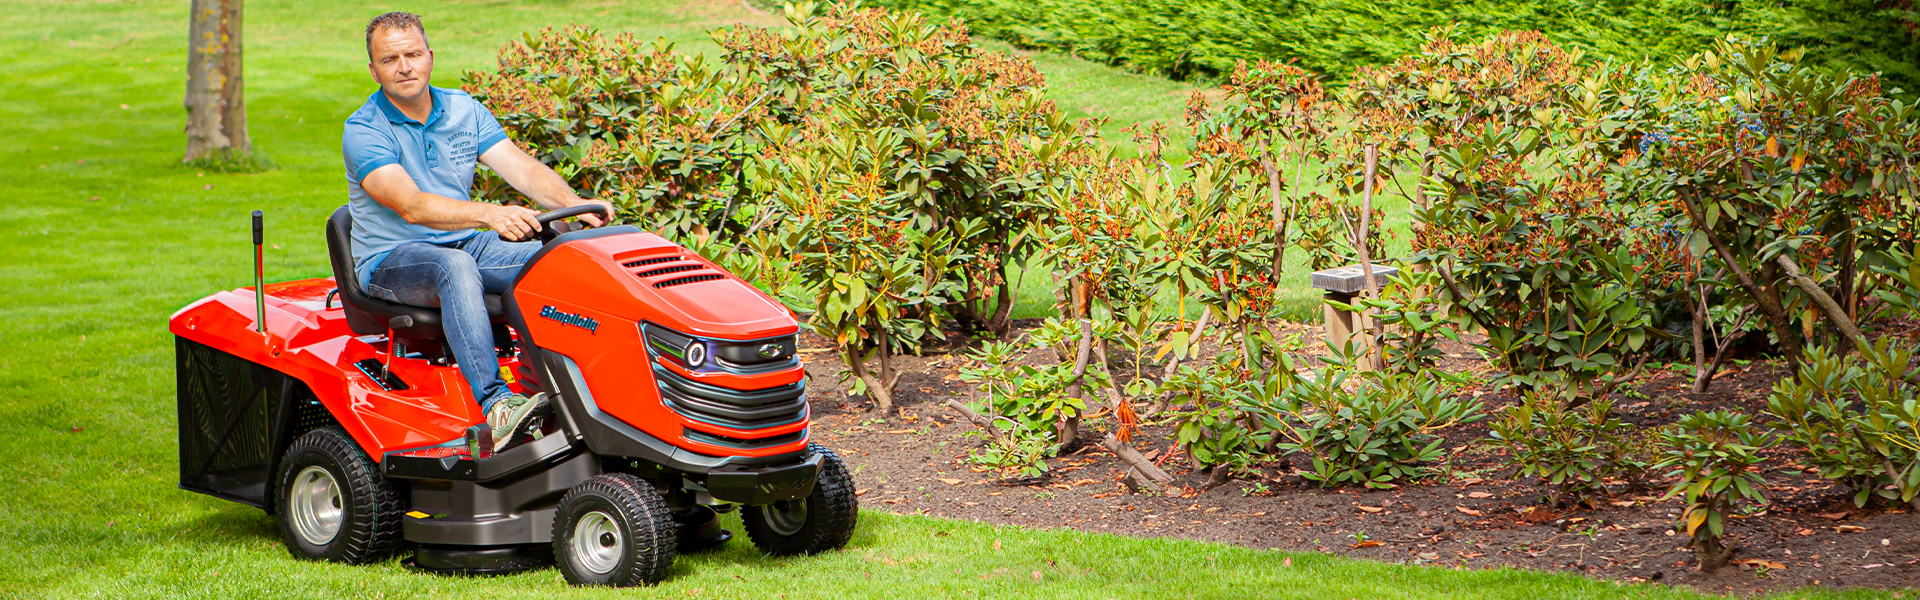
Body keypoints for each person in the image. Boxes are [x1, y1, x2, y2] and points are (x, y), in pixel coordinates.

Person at [343, 12, 612, 451]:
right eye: (390, 59)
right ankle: (498, 405)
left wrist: (573, 206)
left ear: (430, 57)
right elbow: (411, 207)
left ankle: (579, 385)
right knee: (455, 266)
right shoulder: (364, 130)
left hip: (466, 242)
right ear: (373, 70)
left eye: (412, 54)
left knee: (562, 263)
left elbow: (521, 168)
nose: (404, 66)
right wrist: (490, 214)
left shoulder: (464, 110)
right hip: (392, 261)